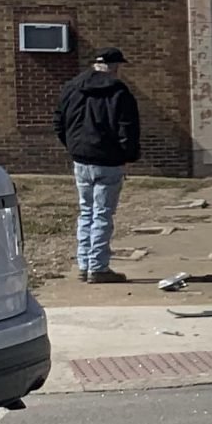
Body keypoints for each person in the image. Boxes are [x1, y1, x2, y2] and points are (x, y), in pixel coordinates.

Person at [54, 46, 141, 283]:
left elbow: (59, 122)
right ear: (114, 67)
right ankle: (98, 266)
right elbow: (127, 128)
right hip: (108, 160)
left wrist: (71, 146)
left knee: (86, 211)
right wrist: (128, 156)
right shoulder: (119, 92)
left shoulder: (72, 87)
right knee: (103, 214)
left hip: (81, 158)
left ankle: (84, 264)